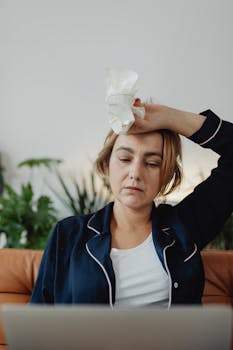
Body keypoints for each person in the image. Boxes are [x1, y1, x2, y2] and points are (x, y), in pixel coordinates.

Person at [30, 100, 233, 308]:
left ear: (166, 174)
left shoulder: (184, 227)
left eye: (152, 163)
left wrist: (169, 118)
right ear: (107, 164)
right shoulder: (69, 233)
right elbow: (37, 323)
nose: (135, 173)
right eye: (125, 159)